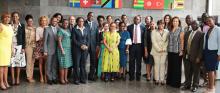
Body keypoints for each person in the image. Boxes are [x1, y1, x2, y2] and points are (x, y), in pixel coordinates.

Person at [182, 20, 204, 92]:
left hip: (196, 57)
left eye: (195, 24)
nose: (194, 25)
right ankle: (187, 85)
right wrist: (184, 54)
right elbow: (185, 44)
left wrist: (199, 57)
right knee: (187, 71)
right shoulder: (187, 33)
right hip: (187, 56)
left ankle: (195, 86)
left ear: (198, 25)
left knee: (196, 72)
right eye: (192, 24)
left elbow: (201, 47)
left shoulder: (201, 34)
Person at [203, 17, 220, 93]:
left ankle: (211, 89)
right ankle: (210, 87)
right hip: (207, 51)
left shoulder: (218, 29)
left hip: (213, 52)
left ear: (214, 21)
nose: (208, 22)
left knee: (211, 70)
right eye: (207, 21)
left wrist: (219, 54)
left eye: (210, 21)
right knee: (209, 70)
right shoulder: (208, 29)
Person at [166, 16, 184, 88]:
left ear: (178, 22)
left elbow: (182, 41)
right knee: (170, 66)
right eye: (174, 21)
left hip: (177, 51)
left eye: (176, 21)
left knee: (176, 68)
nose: (175, 22)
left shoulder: (180, 30)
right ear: (172, 22)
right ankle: (170, 81)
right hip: (170, 51)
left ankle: (175, 83)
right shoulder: (170, 29)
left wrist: (181, 50)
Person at [72, 17, 89, 85]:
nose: (81, 22)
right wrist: (81, 45)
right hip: (77, 49)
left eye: (82, 21)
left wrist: (87, 46)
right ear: (77, 22)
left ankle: (83, 79)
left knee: (83, 64)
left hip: (85, 49)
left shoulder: (86, 29)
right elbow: (74, 40)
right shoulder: (74, 29)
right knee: (76, 64)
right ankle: (76, 79)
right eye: (80, 21)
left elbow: (88, 38)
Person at [151, 20, 169, 85]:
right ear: (157, 25)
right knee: (156, 64)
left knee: (162, 64)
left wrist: (164, 48)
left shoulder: (167, 32)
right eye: (160, 24)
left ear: (164, 25)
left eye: (162, 24)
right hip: (156, 51)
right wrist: (158, 49)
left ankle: (162, 79)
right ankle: (157, 79)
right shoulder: (153, 31)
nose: (161, 25)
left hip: (164, 51)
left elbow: (167, 41)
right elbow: (153, 41)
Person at [127, 16, 145, 81]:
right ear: (133, 19)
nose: (136, 20)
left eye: (138, 19)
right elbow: (128, 37)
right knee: (131, 61)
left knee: (139, 62)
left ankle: (138, 76)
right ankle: (131, 76)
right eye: (135, 19)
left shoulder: (143, 27)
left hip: (140, 46)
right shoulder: (129, 27)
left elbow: (144, 38)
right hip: (132, 46)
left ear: (140, 20)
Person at [10, 11, 26, 85]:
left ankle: (17, 79)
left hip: (19, 46)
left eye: (16, 16)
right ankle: (13, 79)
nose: (15, 17)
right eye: (14, 16)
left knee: (18, 63)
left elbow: (24, 37)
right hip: (11, 46)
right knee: (12, 63)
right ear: (12, 17)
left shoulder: (22, 25)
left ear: (18, 17)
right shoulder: (9, 25)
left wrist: (23, 47)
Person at [43, 17, 59, 85]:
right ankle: (49, 78)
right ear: (51, 21)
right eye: (53, 21)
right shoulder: (47, 29)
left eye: (56, 21)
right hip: (49, 50)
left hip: (57, 50)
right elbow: (45, 41)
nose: (54, 22)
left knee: (54, 65)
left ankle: (54, 77)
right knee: (49, 64)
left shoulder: (58, 29)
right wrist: (45, 51)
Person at [84, 12, 99, 81]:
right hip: (85, 46)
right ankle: (83, 75)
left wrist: (97, 45)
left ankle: (91, 76)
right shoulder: (83, 23)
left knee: (93, 61)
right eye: (89, 15)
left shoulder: (95, 24)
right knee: (83, 61)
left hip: (93, 45)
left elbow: (97, 36)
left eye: (92, 16)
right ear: (87, 16)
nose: (91, 17)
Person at [0, 12, 13, 90]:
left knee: (6, 67)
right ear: (2, 18)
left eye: (8, 17)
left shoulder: (10, 26)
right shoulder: (0, 25)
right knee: (1, 67)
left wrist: (12, 49)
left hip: (8, 49)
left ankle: (6, 82)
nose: (7, 18)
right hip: (1, 48)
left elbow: (11, 39)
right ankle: (1, 83)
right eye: (5, 17)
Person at [57, 19, 73, 84]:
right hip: (62, 49)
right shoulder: (60, 30)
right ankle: (61, 79)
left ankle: (65, 78)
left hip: (68, 50)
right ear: (62, 23)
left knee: (66, 65)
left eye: (67, 23)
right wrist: (62, 50)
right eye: (65, 23)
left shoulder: (68, 30)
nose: (66, 24)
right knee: (62, 65)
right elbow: (59, 41)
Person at [35, 16, 48, 83]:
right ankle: (41, 76)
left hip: (46, 47)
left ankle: (45, 75)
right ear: (40, 21)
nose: (43, 22)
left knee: (46, 62)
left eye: (45, 20)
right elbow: (37, 39)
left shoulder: (48, 28)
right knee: (40, 62)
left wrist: (44, 38)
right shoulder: (38, 28)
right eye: (42, 20)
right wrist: (44, 38)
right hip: (40, 47)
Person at [25, 14, 36, 83]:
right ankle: (28, 77)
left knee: (33, 62)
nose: (30, 22)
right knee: (29, 62)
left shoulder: (35, 28)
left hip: (34, 46)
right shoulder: (24, 29)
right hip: (28, 46)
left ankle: (31, 75)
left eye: (31, 21)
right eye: (29, 21)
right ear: (26, 22)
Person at [182, 15, 193, 86]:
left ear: (192, 19)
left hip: (192, 52)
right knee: (186, 68)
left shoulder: (196, 28)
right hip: (185, 51)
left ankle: (192, 83)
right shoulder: (185, 28)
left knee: (192, 69)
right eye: (186, 19)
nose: (188, 20)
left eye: (189, 18)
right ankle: (186, 81)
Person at [143, 16, 154, 80]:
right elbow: (145, 41)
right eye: (151, 24)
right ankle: (148, 75)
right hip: (149, 49)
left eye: (153, 24)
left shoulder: (157, 31)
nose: (152, 25)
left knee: (152, 63)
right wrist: (146, 51)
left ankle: (151, 74)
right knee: (148, 63)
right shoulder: (147, 31)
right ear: (149, 24)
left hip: (155, 50)